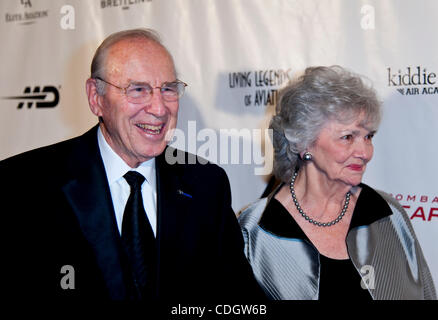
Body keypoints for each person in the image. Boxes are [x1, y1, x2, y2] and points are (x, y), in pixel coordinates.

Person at [0, 29, 264, 301]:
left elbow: (238, 298)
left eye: (168, 89)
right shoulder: (23, 185)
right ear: (96, 97)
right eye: (138, 90)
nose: (160, 108)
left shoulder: (206, 184)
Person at [238, 66, 436, 300]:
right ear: (304, 142)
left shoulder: (388, 214)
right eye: (347, 137)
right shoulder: (254, 231)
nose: (365, 152)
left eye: (368, 136)